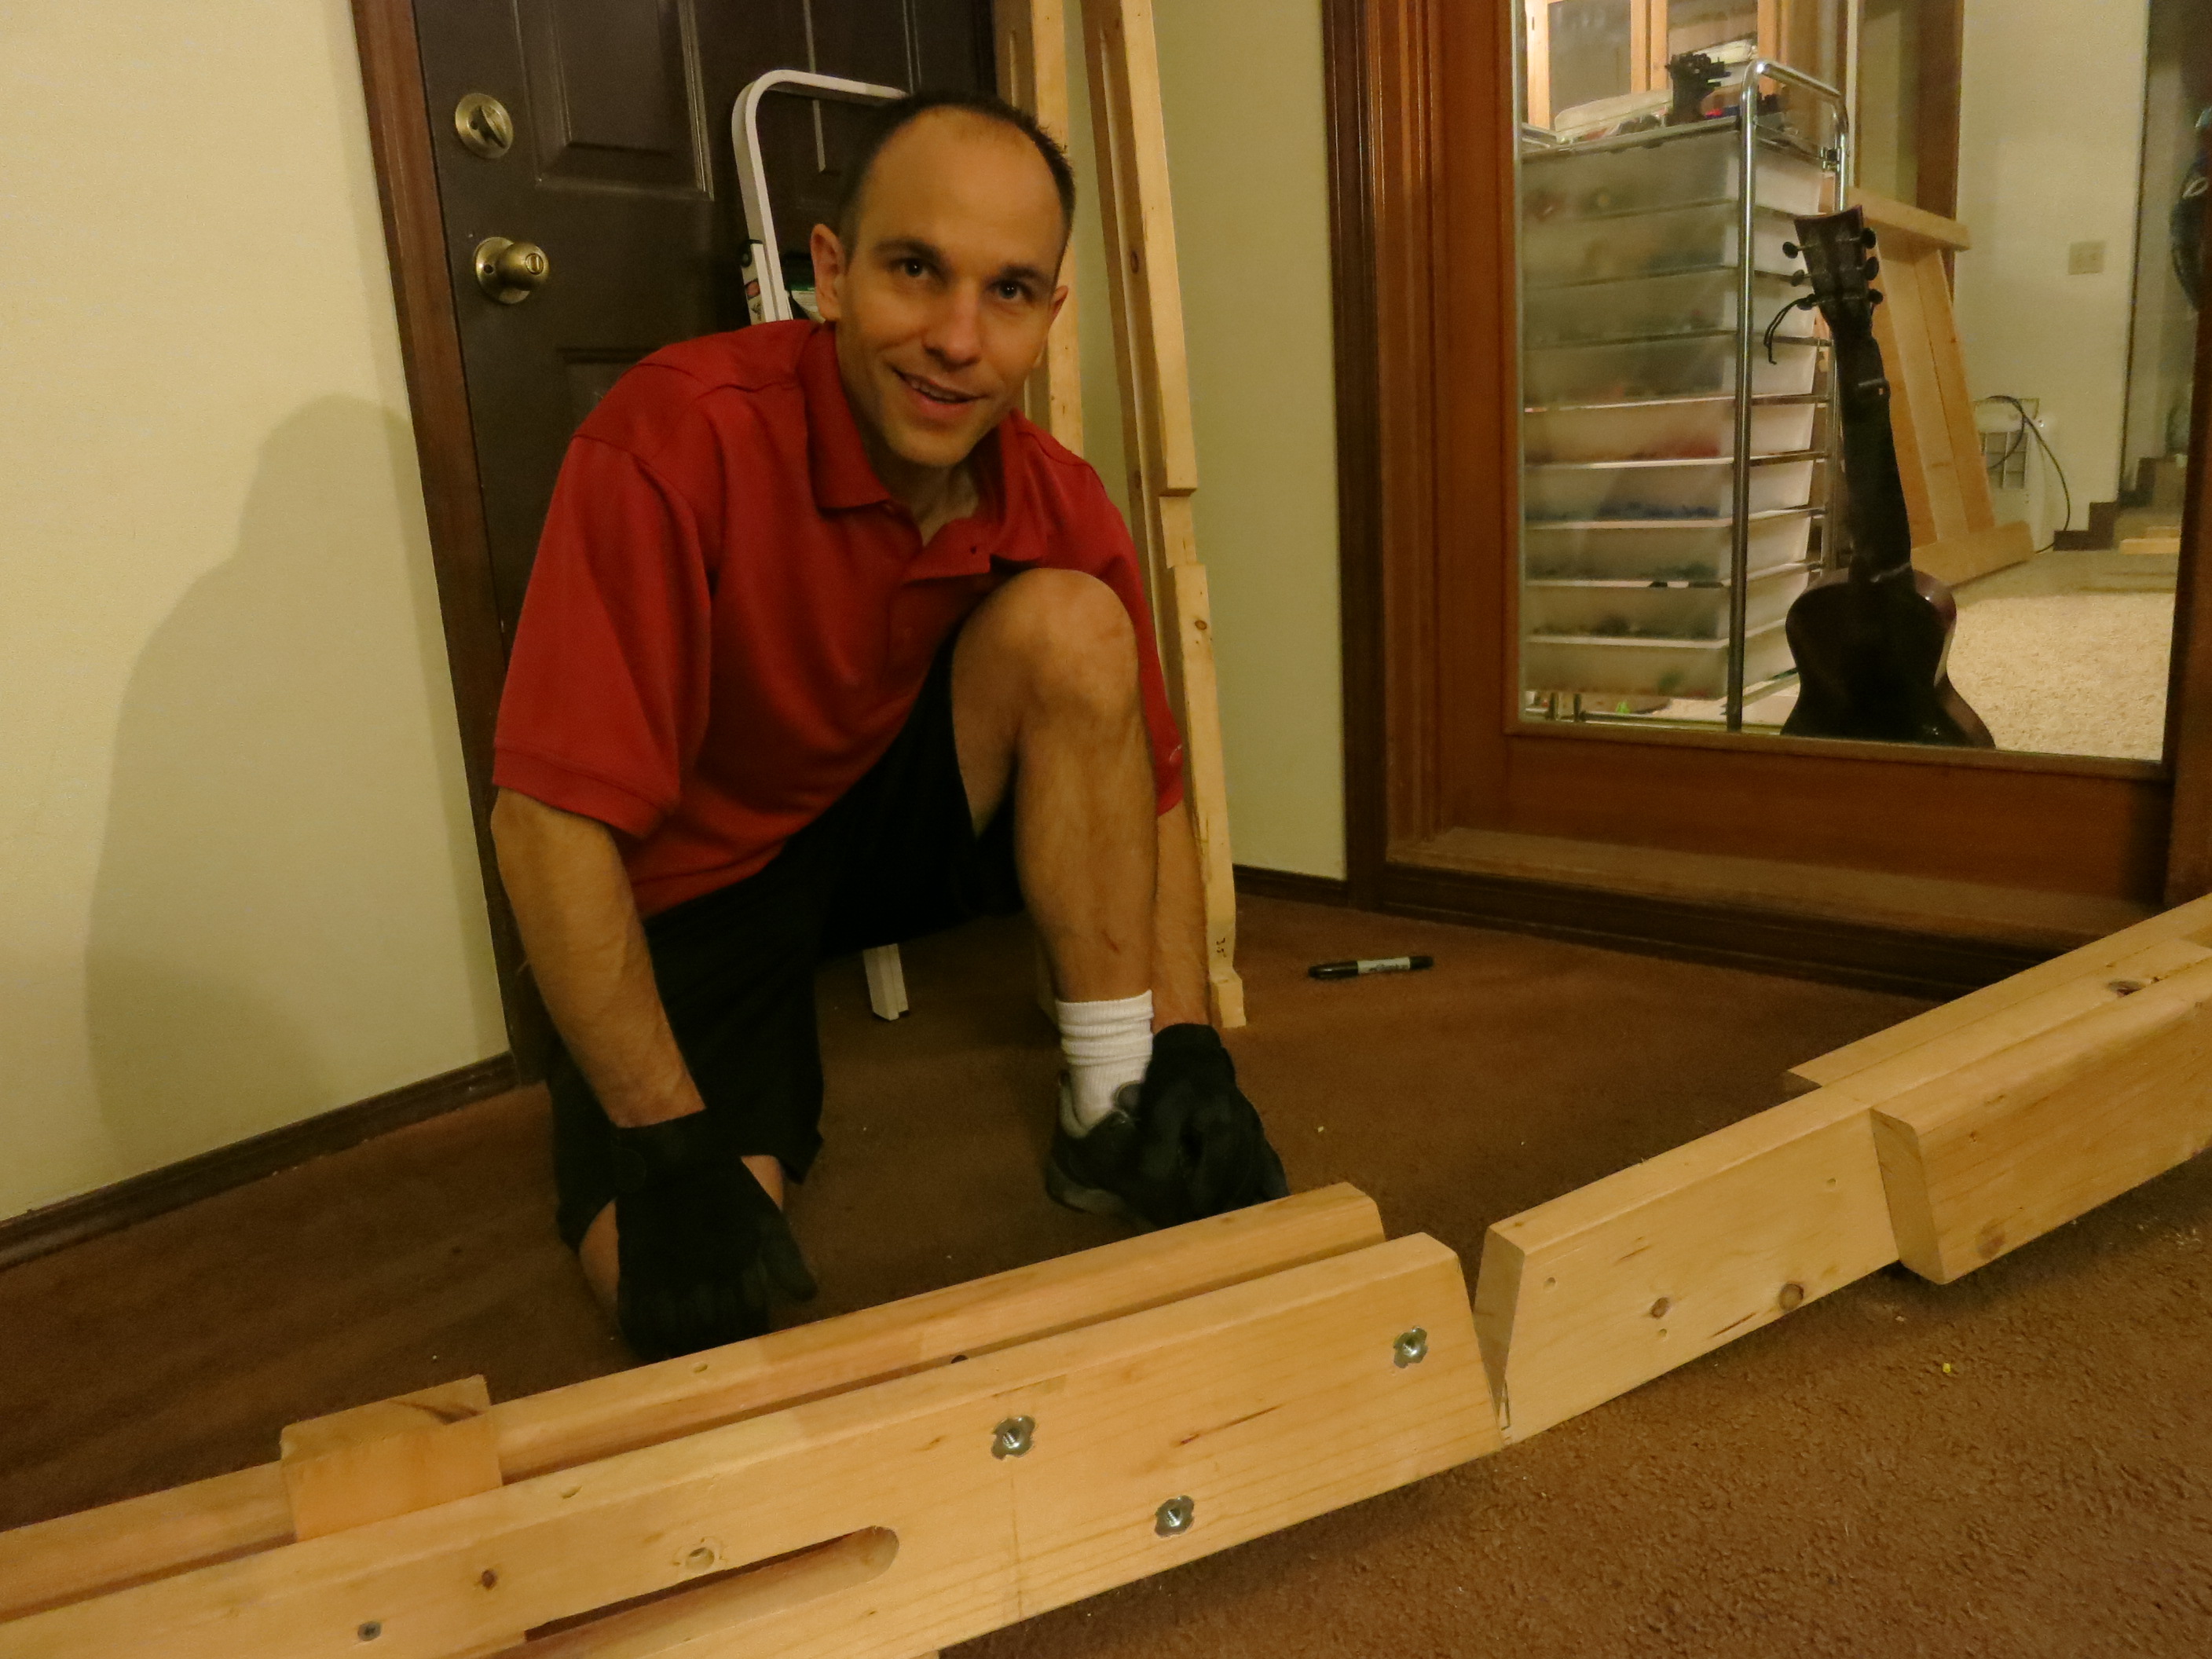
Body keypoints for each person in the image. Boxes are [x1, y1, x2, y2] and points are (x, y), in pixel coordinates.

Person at [488, 90, 1288, 1361]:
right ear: (831, 273)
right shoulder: (674, 436)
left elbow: (1154, 787)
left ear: (1047, 319)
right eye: (917, 269)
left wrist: (1186, 1042)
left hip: (872, 816)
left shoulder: (1056, 494)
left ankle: (1111, 1105)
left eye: (1008, 292)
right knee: (689, 1292)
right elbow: (544, 824)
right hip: (696, 885)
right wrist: (664, 1137)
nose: (958, 340)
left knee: (1074, 627)